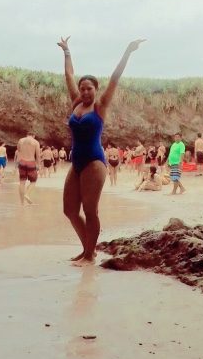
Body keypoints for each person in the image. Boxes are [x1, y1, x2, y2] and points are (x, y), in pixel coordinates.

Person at [58, 35, 144, 265]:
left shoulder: (100, 105)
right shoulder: (76, 103)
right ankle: (89, 249)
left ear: (96, 90)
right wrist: (67, 51)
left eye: (89, 88)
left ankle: (88, 254)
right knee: (69, 210)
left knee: (90, 210)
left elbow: (115, 78)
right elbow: (68, 75)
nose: (85, 92)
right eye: (82, 88)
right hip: (76, 162)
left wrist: (128, 51)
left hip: (95, 162)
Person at [16, 130, 41, 205]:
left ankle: (22, 203)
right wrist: (38, 165)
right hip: (31, 162)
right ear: (33, 136)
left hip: (22, 162)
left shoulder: (20, 140)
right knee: (33, 181)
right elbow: (38, 155)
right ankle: (27, 194)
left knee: (22, 183)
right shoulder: (36, 142)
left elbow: (19, 151)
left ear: (27, 135)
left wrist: (17, 163)